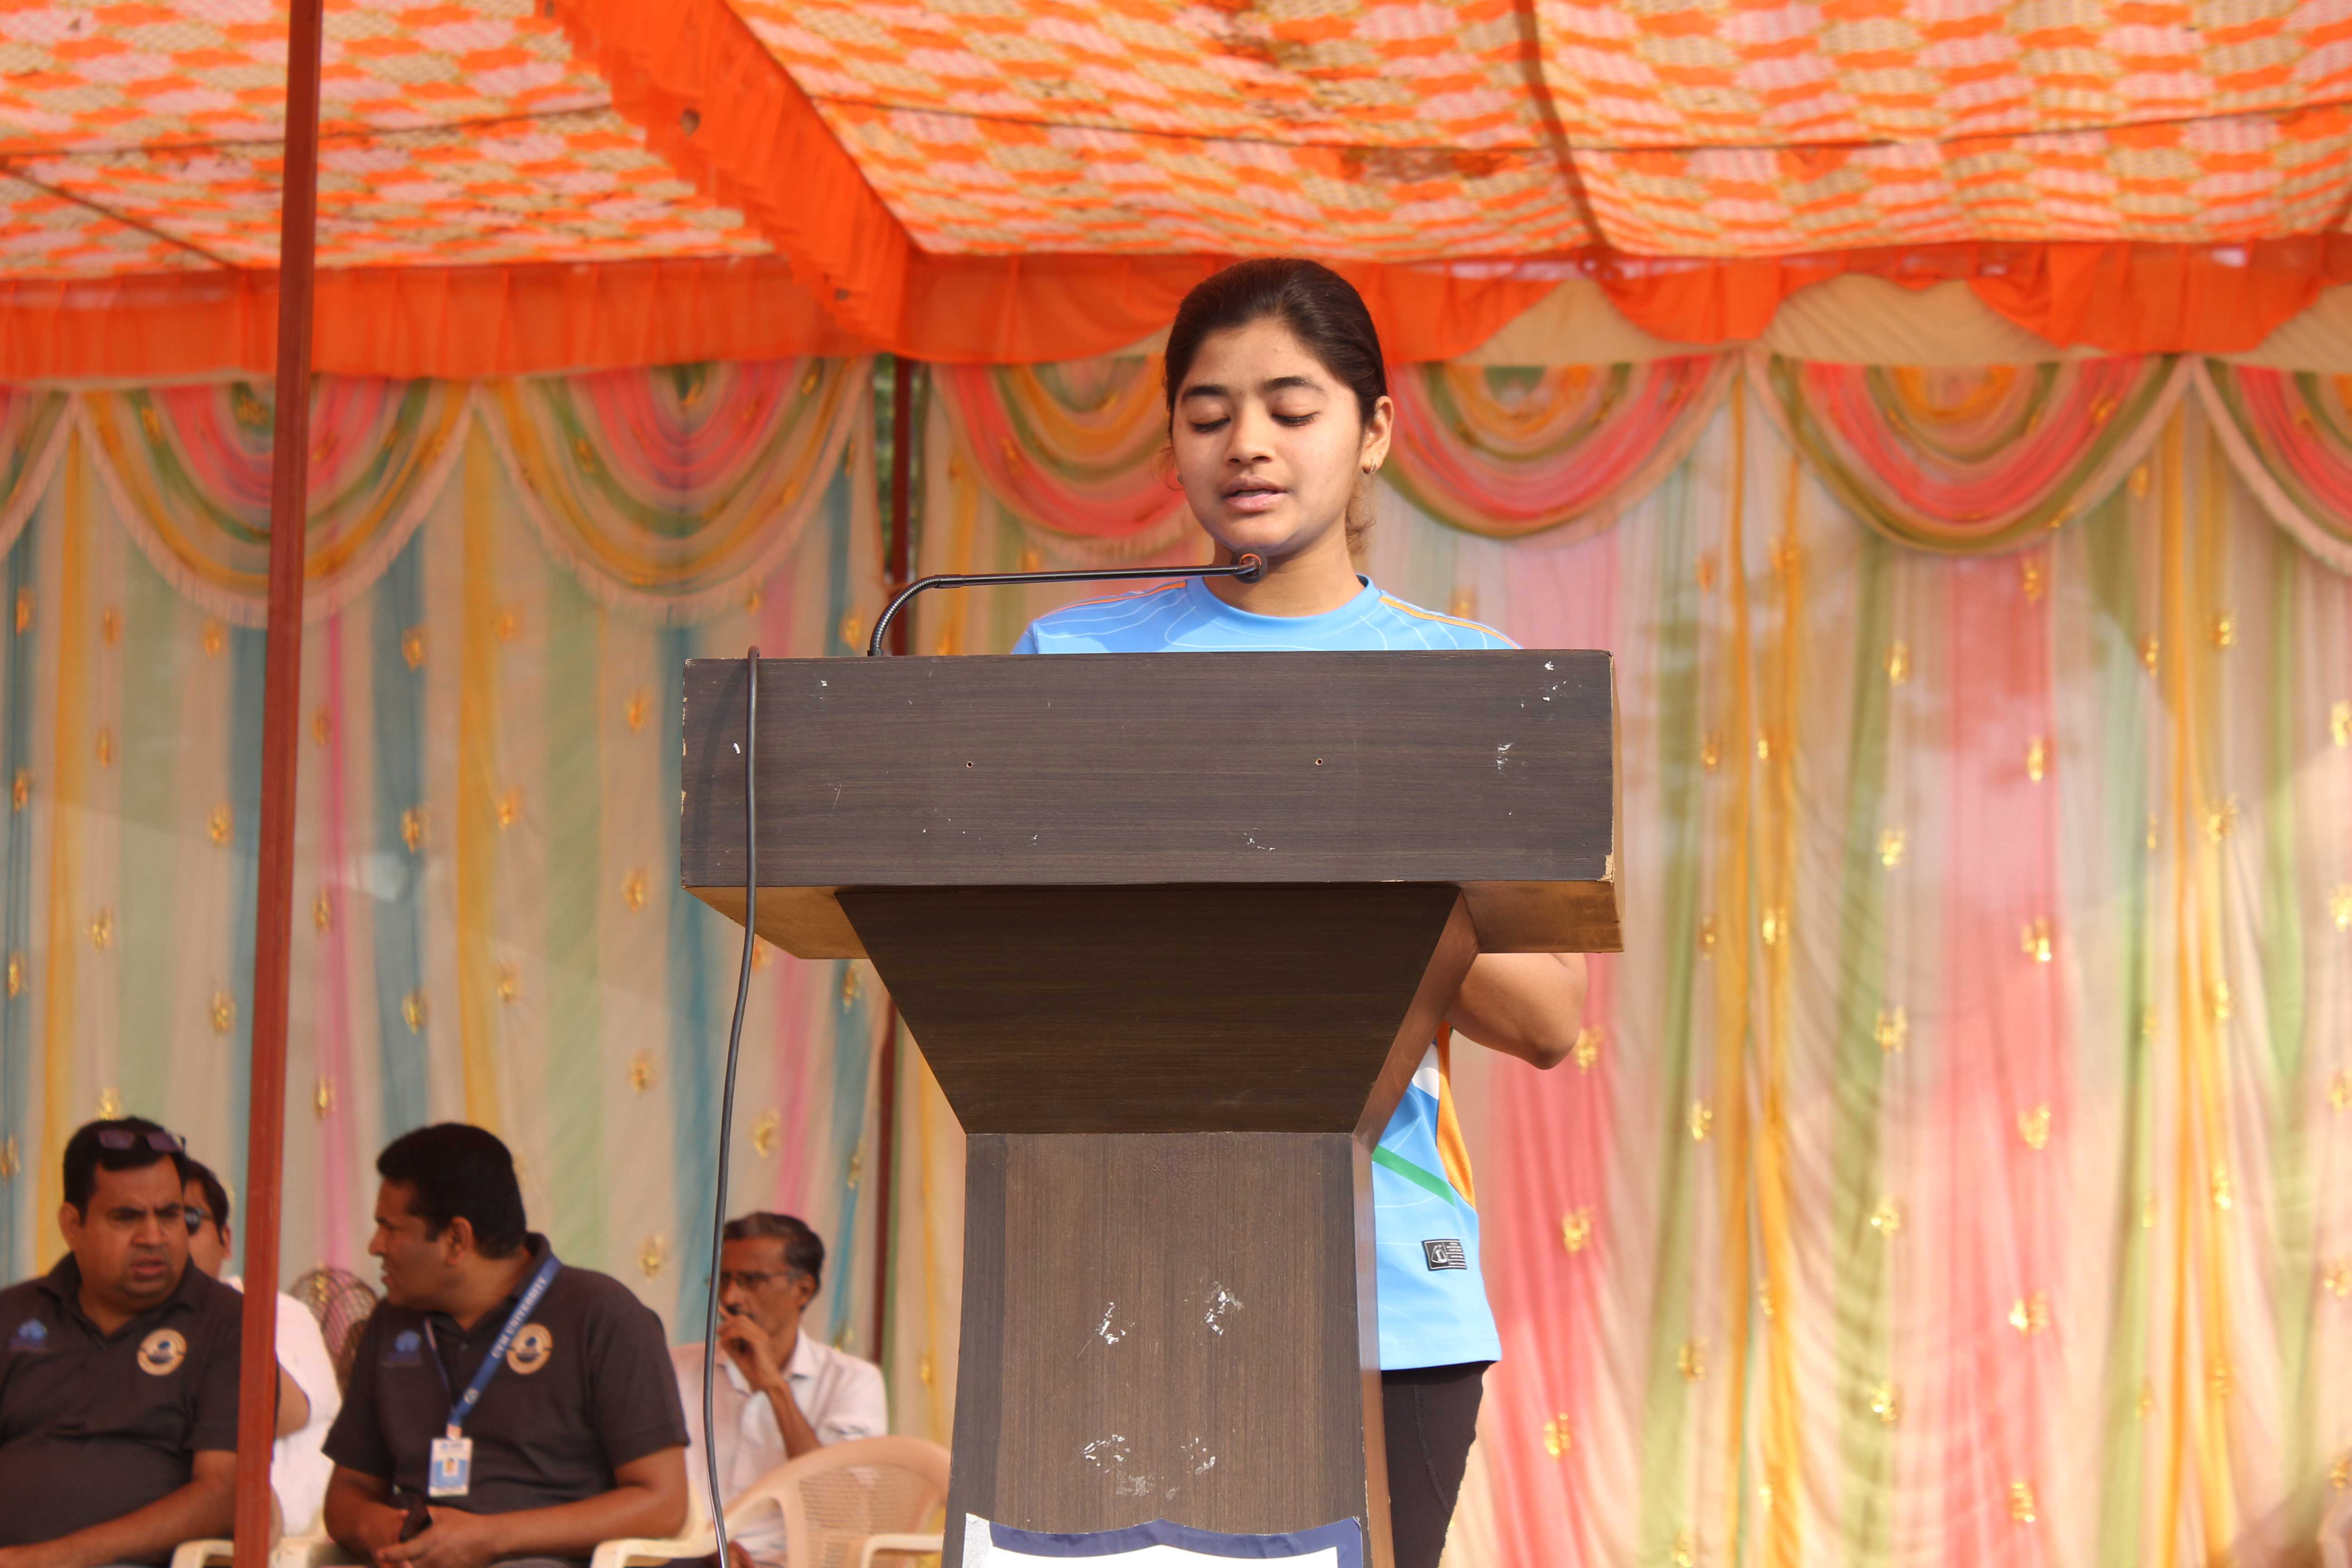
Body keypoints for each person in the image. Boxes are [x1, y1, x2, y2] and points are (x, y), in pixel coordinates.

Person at [1009, 257, 1589, 1568]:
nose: (1248, 445)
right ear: (1171, 441)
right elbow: (1028, 974)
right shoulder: (1076, 661)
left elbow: (1550, 1017)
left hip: (1386, 1284)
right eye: (1208, 414)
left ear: (1373, 431)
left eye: (1291, 407)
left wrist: (1341, 853)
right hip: (1125, 1269)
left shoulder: (1468, 683)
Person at [323, 1124, 689, 1568]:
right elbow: (348, 1492)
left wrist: (492, 1538)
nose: (375, 1246)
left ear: (456, 1240)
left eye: (390, 1228)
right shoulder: (392, 1321)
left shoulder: (602, 1315)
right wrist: (375, 1526)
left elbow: (663, 1504)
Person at [0, 1118, 241, 1568]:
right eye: (126, 1217)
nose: (153, 1237)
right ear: (73, 1225)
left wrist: (47, 1559)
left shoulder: (228, 1322)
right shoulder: (12, 1314)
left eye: (170, 1215)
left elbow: (226, 1495)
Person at [671, 1214, 884, 1568]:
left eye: (752, 1281)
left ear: (803, 1290)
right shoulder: (678, 1367)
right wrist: (701, 1544)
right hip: (689, 1557)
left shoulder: (852, 1381)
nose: (731, 1298)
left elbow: (842, 1512)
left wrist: (775, 1389)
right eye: (724, 1280)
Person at [183, 1158, 343, 1536]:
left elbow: (272, 1412)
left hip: (264, 1543)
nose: (165, 1237)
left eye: (188, 1220)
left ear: (226, 1241)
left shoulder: (276, 1312)